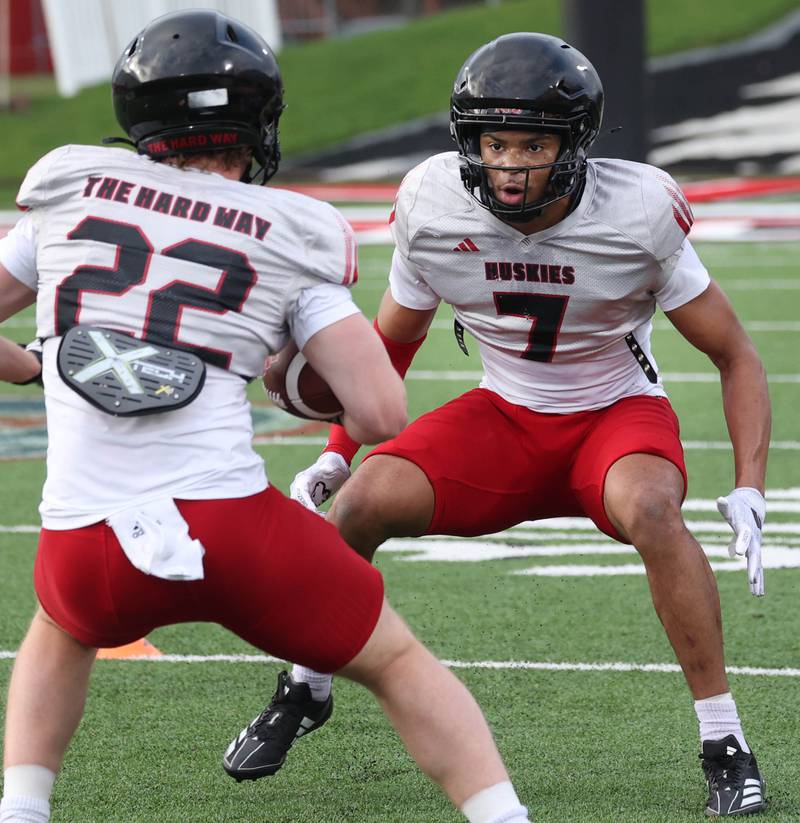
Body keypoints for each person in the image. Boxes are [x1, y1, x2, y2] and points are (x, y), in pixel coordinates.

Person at [0, 12, 533, 823]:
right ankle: (503, 816)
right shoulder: (292, 231)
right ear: (254, 122)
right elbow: (381, 410)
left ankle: (22, 810)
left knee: (58, 627)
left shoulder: (66, 193)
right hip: (237, 530)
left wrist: (35, 366)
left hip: (89, 539)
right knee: (394, 660)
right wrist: (288, 380)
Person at [223, 32, 772, 818]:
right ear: (468, 139)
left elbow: (737, 355)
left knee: (653, 508)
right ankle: (305, 686)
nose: (511, 163)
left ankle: (725, 741)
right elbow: (392, 344)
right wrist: (339, 451)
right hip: (505, 416)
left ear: (574, 143)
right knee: (361, 505)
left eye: (534, 142)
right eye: (495, 140)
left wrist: (752, 486)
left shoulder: (638, 210)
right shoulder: (431, 203)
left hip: (613, 414)